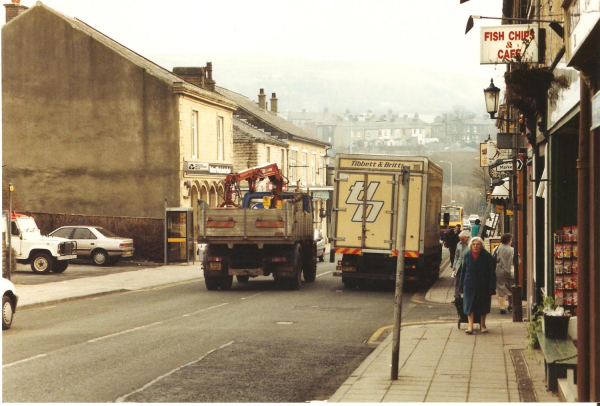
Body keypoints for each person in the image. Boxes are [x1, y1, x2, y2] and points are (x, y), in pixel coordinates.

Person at [459, 236, 496, 334]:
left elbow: (492, 272)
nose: (475, 246)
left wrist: (492, 287)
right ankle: (470, 326)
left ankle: (482, 325)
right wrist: (461, 285)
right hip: (469, 284)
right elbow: (463, 271)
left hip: (483, 284)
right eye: (474, 244)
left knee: (482, 305)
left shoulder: (487, 256)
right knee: (469, 305)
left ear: (481, 246)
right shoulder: (467, 255)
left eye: (478, 244)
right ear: (471, 246)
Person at [493, 233, 514, 314]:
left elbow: (493, 258)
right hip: (510, 271)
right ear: (509, 241)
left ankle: (502, 307)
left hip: (499, 271)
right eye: (511, 240)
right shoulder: (512, 250)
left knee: (500, 288)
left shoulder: (497, 249)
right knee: (510, 288)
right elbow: (517, 260)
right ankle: (510, 305)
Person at [452, 230, 471, 303]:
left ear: (467, 238)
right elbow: (456, 256)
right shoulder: (458, 244)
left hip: (467, 266)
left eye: (462, 239)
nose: (461, 240)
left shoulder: (471, 245)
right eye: (460, 239)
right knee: (457, 281)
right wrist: (454, 266)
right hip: (459, 265)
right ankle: (457, 297)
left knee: (466, 282)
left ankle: (466, 297)